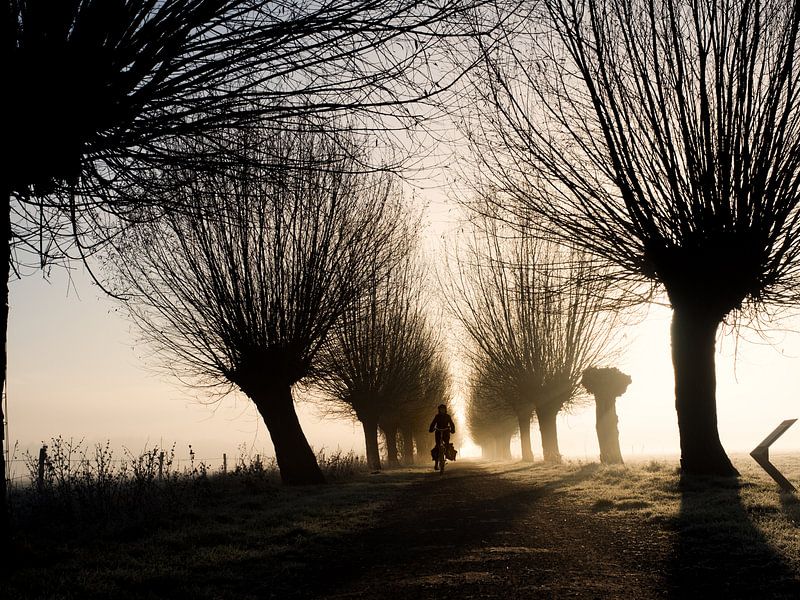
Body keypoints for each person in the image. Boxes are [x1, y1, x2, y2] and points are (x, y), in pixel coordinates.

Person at [429, 403, 455, 470]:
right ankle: (436, 463)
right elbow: (433, 423)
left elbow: (451, 423)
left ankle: (447, 454)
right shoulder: (437, 416)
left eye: (443, 409)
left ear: (445, 410)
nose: (442, 410)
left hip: (446, 432)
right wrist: (431, 429)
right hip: (438, 431)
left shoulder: (448, 416)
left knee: (446, 444)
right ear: (439, 410)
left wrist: (452, 430)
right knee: (437, 446)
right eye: (441, 409)